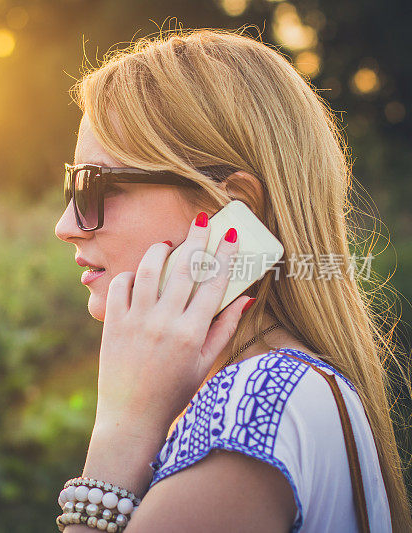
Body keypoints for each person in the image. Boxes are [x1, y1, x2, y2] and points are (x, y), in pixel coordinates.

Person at [54, 28, 411, 532]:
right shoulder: (294, 387)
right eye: (72, 184)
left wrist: (121, 436)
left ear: (229, 207)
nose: (65, 226)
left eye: (94, 187)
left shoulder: (247, 407)